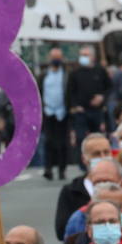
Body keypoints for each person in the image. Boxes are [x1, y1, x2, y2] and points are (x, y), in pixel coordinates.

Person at [53, 134, 117, 238]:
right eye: (96, 154)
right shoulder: (70, 191)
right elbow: (61, 231)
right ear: (84, 159)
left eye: (106, 152)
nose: (103, 157)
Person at [66, 45, 112, 142]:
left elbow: (109, 88)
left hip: (97, 112)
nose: (83, 57)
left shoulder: (100, 70)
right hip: (81, 112)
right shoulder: (75, 72)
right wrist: (75, 106)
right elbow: (70, 92)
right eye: (82, 55)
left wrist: (102, 97)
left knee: (98, 138)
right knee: (81, 139)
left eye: (86, 55)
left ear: (93, 57)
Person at [40, 47, 68, 179]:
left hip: (63, 113)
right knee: (48, 142)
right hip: (48, 112)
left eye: (58, 57)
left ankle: (62, 170)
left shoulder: (67, 74)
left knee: (63, 143)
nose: (56, 59)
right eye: (53, 57)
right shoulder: (43, 75)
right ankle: (48, 169)